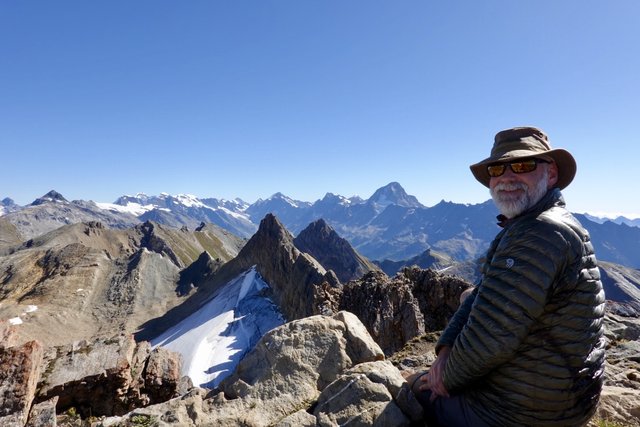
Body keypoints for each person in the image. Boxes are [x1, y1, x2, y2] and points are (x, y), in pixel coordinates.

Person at [404, 126, 606, 426]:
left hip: (526, 413)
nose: (507, 177)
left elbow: (492, 335)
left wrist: (442, 378)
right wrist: (445, 350)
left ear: (550, 174)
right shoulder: (540, 222)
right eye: (497, 168)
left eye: (522, 165)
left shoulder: (540, 232)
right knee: (468, 295)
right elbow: (485, 295)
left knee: (412, 387)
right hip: (560, 395)